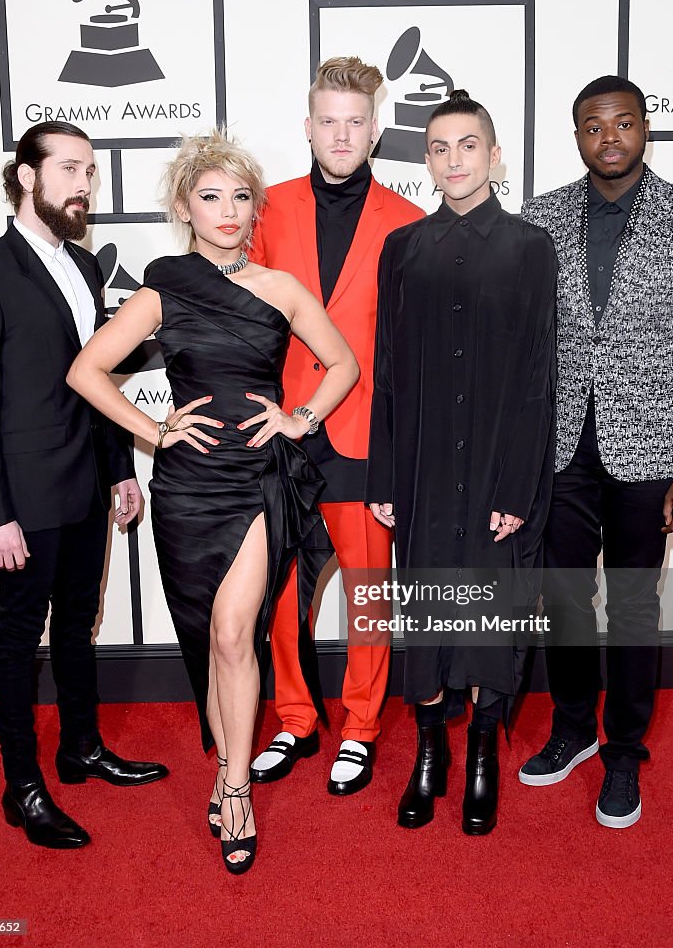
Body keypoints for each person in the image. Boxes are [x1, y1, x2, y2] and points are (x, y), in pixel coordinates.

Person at [67, 131, 358, 874]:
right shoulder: (162, 288)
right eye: (210, 196)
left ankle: (234, 787)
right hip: (189, 488)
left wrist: (300, 419)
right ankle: (231, 760)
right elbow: (87, 371)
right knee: (210, 639)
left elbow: (342, 363)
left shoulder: (281, 287)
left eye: (239, 197)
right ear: (182, 207)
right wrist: (155, 431)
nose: (227, 210)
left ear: (253, 207)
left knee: (236, 635)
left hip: (258, 478)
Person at [519, 75, 673, 828]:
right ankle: (573, 726)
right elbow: (524, 347)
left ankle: (623, 750)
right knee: (566, 601)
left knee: (635, 605)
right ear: (575, 134)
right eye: (591, 127)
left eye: (621, 124)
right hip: (559, 451)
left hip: (653, 452)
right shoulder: (538, 219)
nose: (607, 139)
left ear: (644, 128)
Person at [0, 121, 167, 852]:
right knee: (20, 637)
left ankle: (80, 748)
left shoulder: (83, 264)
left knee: (78, 625)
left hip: (85, 483)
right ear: (26, 177)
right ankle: (23, 786)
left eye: (90, 172)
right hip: (24, 496)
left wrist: (119, 471)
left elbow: (94, 380)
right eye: (71, 169)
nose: (84, 185)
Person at [366, 89, 557, 834]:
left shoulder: (528, 247)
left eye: (467, 145)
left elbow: (537, 374)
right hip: (416, 466)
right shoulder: (402, 249)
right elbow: (386, 369)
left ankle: (480, 752)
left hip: (491, 466)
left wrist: (517, 484)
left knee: (487, 617)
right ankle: (427, 755)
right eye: (439, 148)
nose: (453, 160)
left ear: (494, 155)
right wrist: (384, 475)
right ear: (425, 160)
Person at [249, 56, 424, 795]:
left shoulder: (409, 223)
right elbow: (246, 325)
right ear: (309, 126)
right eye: (329, 120)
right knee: (281, 590)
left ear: (376, 129)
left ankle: (359, 726)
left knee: (367, 593)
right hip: (282, 431)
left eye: (355, 121)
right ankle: (294, 717)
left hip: (363, 434)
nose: (342, 134)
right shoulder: (267, 211)